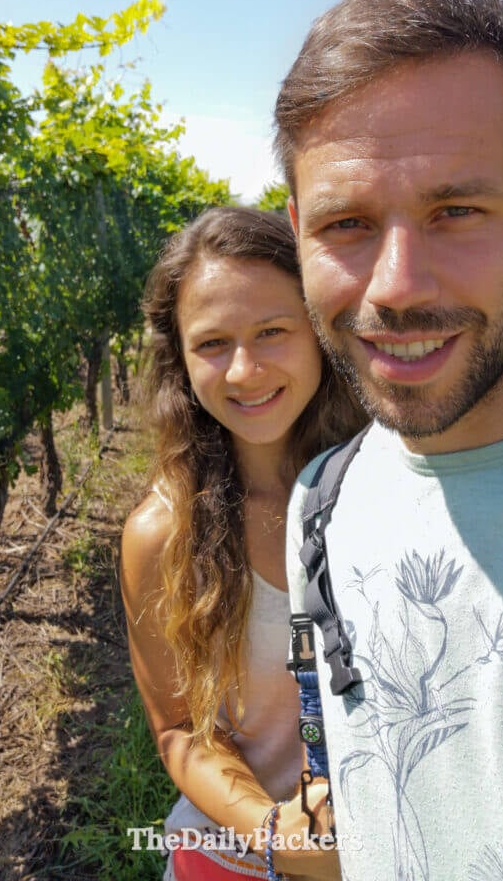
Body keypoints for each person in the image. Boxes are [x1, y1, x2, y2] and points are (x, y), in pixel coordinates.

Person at [277, 0, 503, 880]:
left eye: (457, 210)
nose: (395, 287)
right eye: (346, 224)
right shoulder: (321, 506)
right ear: (298, 232)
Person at [120, 206, 366, 881]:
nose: (243, 370)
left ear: (319, 329)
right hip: (234, 854)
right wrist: (280, 837)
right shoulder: (163, 535)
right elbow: (181, 728)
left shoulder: (393, 487)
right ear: (179, 359)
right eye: (211, 344)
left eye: (272, 331)